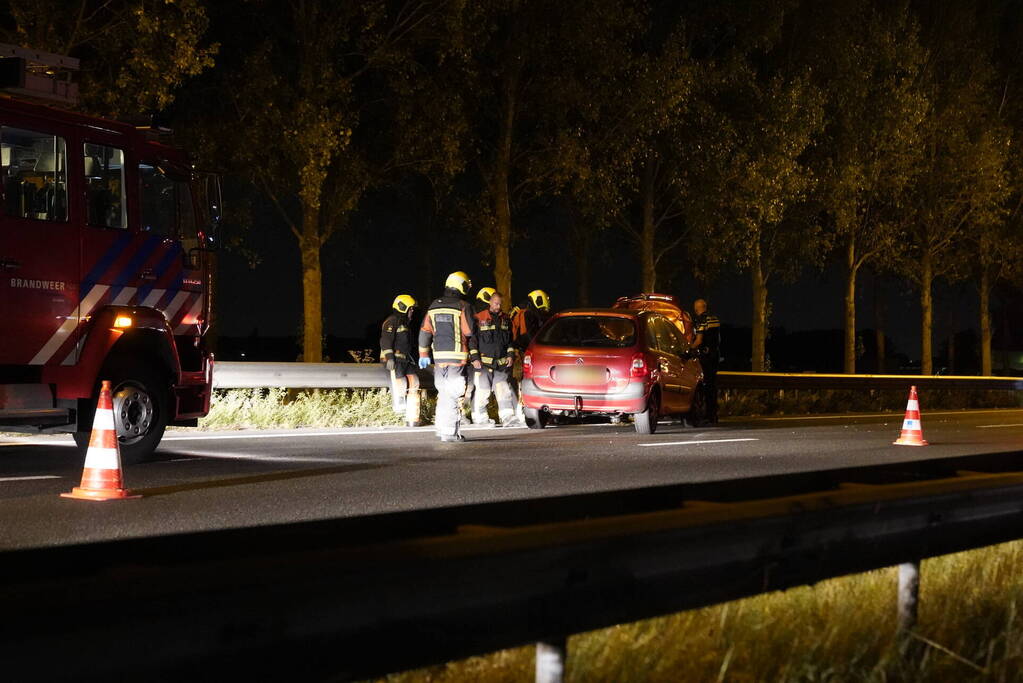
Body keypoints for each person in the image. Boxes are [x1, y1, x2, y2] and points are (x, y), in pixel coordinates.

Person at [419, 271, 481, 442]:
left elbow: (425, 331)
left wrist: (423, 353)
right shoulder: (463, 306)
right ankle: (449, 433)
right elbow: (469, 331)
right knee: (454, 393)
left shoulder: (434, 305)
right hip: (457, 358)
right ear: (461, 285)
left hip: (438, 359)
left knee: (444, 393)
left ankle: (441, 428)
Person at [472, 291, 522, 427]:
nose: (498, 306)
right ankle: (481, 418)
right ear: (490, 302)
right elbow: (473, 341)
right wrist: (475, 358)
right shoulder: (479, 318)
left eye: (500, 304)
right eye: (496, 303)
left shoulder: (506, 319)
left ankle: (507, 417)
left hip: (500, 364)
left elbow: (510, 341)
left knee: (503, 390)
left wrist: (511, 355)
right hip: (483, 364)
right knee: (483, 391)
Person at [380, 294, 421, 427]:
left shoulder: (405, 324)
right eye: (410, 309)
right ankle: (399, 409)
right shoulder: (391, 321)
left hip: (405, 360)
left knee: (414, 382)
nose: (412, 311)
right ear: (403, 308)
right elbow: (385, 341)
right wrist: (389, 358)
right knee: (401, 383)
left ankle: (412, 417)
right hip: (394, 361)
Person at [692, 298, 721, 424]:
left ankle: (706, 414)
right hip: (715, 355)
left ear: (697, 309)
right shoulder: (714, 318)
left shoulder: (701, 320)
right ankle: (713, 415)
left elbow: (698, 340)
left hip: (705, 357)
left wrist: (688, 349)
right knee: (712, 385)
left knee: (704, 386)